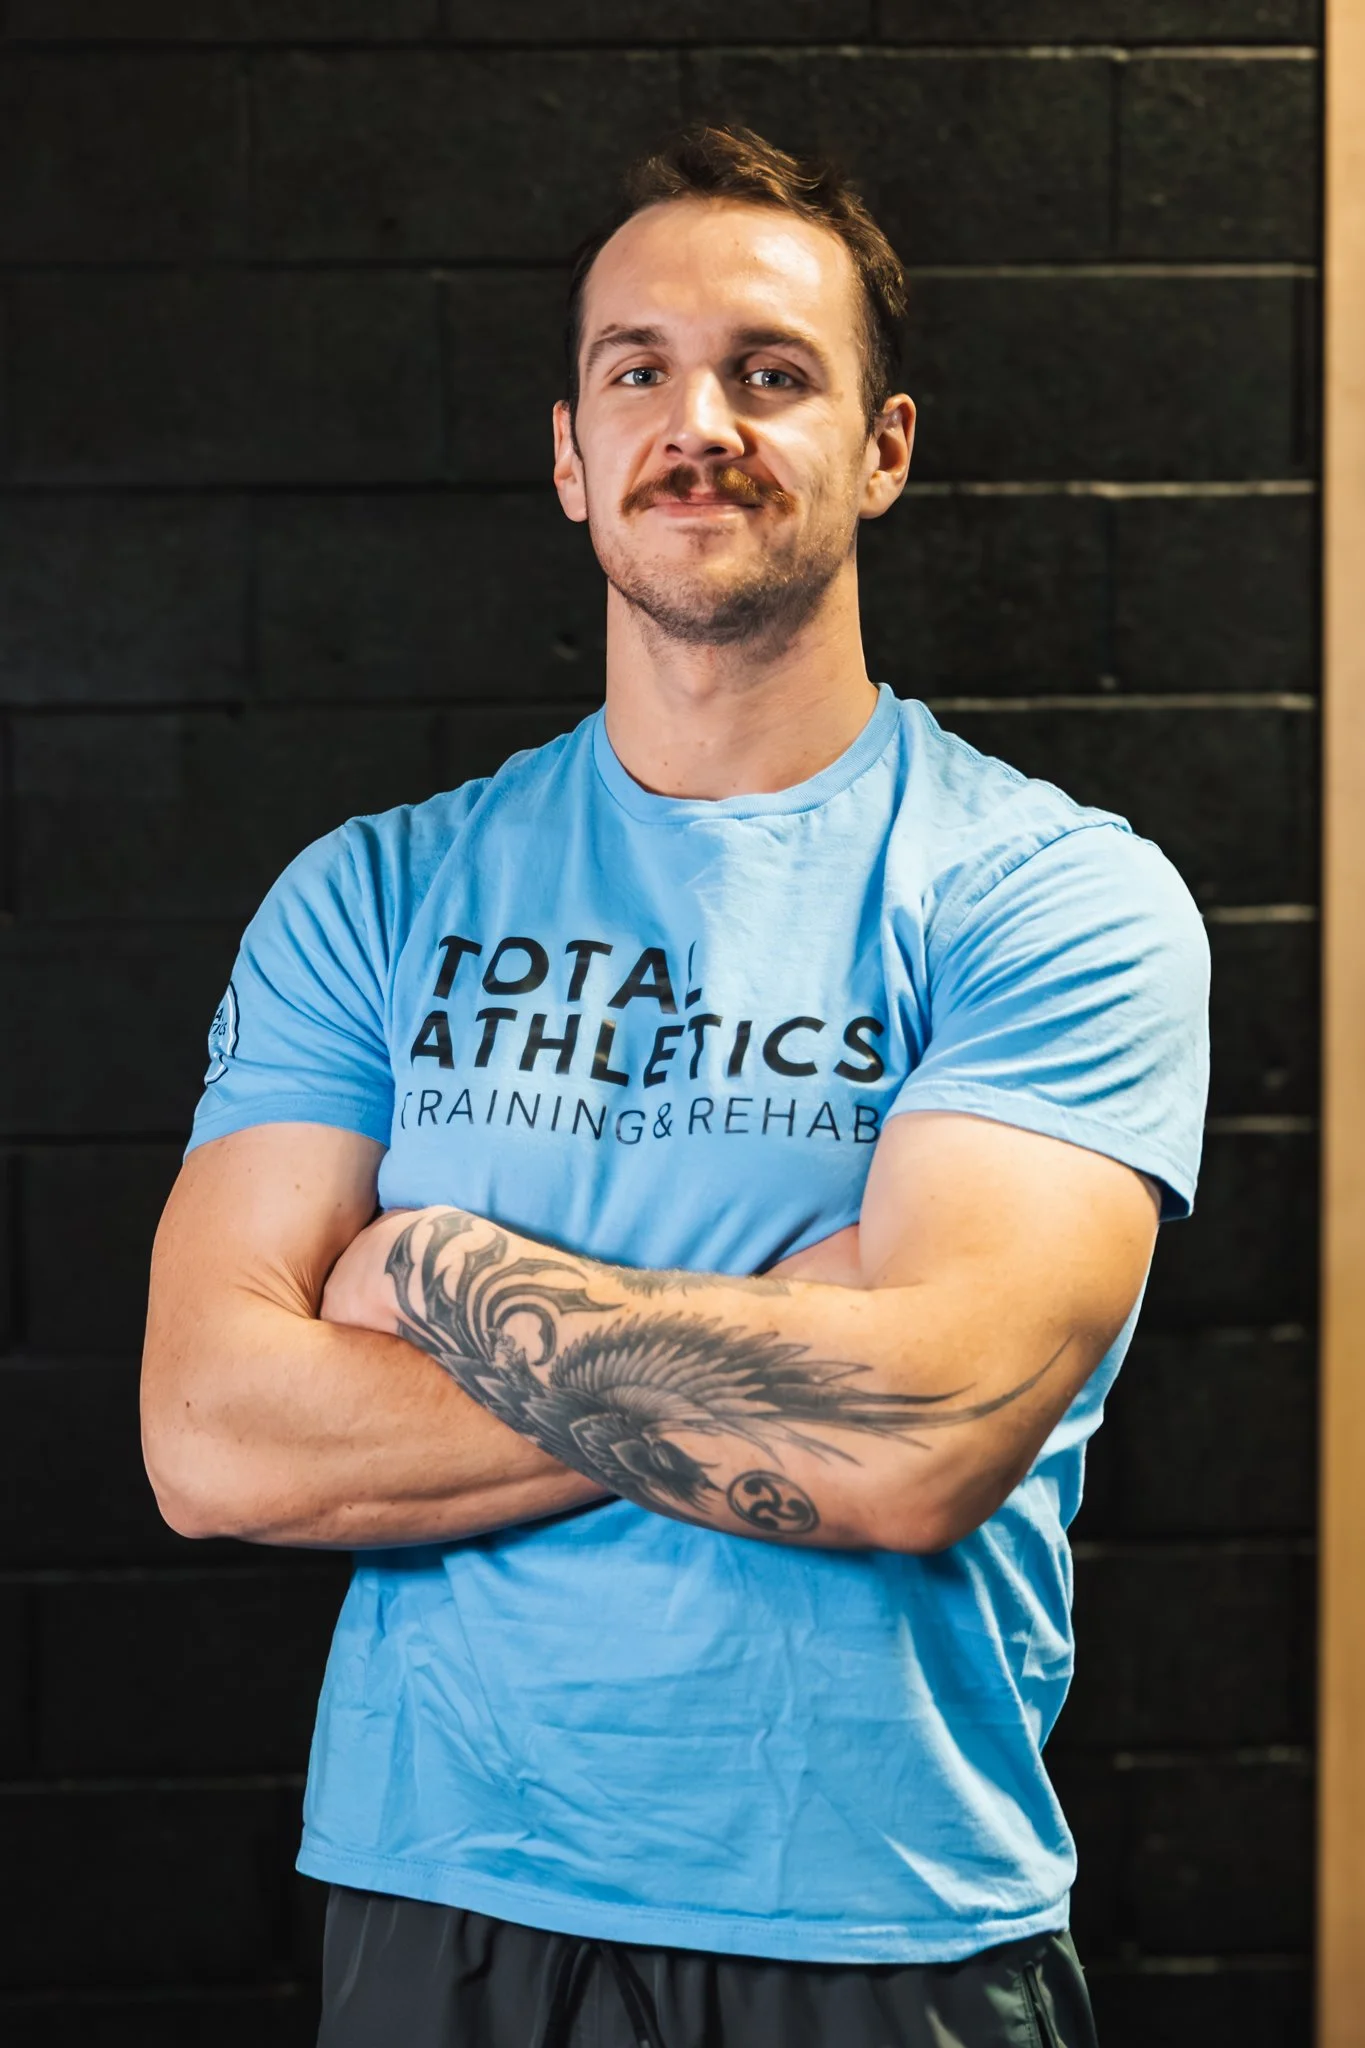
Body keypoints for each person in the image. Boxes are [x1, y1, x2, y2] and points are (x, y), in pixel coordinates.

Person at [141, 125, 1209, 2048]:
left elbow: (925, 1445)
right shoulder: (374, 894)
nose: (696, 423)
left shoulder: (1050, 896)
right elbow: (213, 1436)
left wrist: (431, 1269)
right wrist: (794, 1338)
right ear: (570, 454)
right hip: (444, 1897)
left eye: (770, 372)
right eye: (637, 370)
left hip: (883, 1917)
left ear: (883, 448)